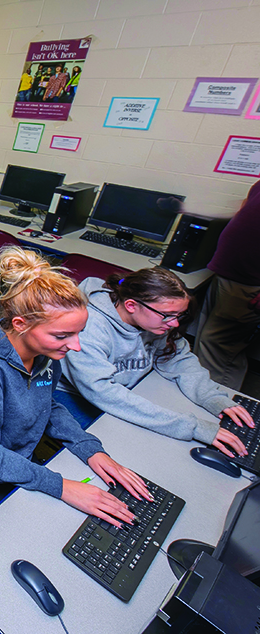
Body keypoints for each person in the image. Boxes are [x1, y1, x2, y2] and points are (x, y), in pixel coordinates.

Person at [0, 247, 151, 526]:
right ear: (20, 325)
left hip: (12, 457)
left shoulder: (44, 353)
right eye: (63, 335)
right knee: (46, 527)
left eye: (78, 333)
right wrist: (62, 487)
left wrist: (89, 448)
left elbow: (47, 404)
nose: (76, 346)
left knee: (81, 513)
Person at [59, 268, 254, 459]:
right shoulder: (89, 328)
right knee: (139, 451)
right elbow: (103, 392)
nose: (175, 324)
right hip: (78, 395)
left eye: (179, 315)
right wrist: (191, 427)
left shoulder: (155, 320)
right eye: (168, 315)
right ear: (131, 306)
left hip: (131, 387)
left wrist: (211, 397)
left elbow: (178, 358)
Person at [194, 179, 260, 391]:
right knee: (205, 339)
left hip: (248, 285)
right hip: (227, 275)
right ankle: (198, 391)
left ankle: (219, 408)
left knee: (220, 349)